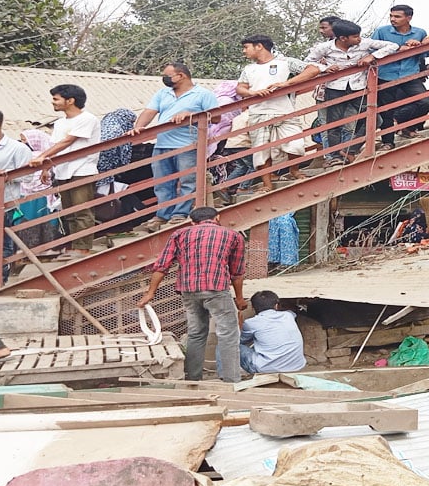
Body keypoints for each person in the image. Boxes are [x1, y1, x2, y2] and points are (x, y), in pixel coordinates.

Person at [137, 206, 246, 383]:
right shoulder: (233, 235)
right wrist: (239, 299)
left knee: (196, 334)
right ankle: (231, 380)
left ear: (192, 222)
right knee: (228, 334)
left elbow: (162, 266)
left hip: (188, 290)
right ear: (217, 217)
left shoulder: (179, 234)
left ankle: (193, 378)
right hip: (217, 289)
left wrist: (150, 293)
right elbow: (237, 272)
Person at [130, 63, 220, 233]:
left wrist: (191, 115)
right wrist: (138, 127)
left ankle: (180, 213)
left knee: (188, 181)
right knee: (162, 183)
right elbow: (150, 111)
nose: (164, 79)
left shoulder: (203, 94)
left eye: (168, 75)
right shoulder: (163, 93)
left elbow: (216, 117)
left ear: (181, 76)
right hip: (162, 144)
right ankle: (163, 215)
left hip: (187, 145)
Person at [305, 21, 399, 159]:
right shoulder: (324, 47)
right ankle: (335, 157)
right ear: (343, 38)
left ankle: (350, 148)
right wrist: (324, 68)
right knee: (334, 124)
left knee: (375, 119)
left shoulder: (364, 43)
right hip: (335, 87)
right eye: (355, 37)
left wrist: (372, 56)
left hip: (358, 86)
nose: (359, 39)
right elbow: (308, 61)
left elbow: (393, 46)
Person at [237, 35, 321, 188]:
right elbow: (240, 88)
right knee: (261, 151)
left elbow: (313, 69)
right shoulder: (249, 69)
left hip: (284, 111)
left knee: (296, 143)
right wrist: (252, 93)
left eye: (246, 47)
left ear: (259, 46)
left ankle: (294, 169)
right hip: (258, 112)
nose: (244, 51)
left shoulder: (285, 62)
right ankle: (267, 184)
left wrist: (287, 83)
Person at [29, 84, 100, 259]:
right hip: (62, 170)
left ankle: (83, 248)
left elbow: (67, 142)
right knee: (68, 211)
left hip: (82, 169)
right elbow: (56, 146)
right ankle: (73, 245)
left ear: (70, 101)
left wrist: (42, 157)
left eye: (56, 98)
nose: (53, 102)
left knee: (82, 211)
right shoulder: (60, 123)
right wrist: (47, 166)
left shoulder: (88, 118)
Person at [0, 107, 32, 276]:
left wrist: (0, 176)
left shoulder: (18, 149)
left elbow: (27, 177)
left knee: (1, 244)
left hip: (2, 205)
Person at [371, 5, 429, 145]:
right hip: (386, 75)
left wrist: (419, 46)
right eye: (391, 16)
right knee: (386, 111)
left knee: (425, 102)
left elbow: (426, 53)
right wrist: (397, 49)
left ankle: (407, 127)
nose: (393, 19)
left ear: (408, 18)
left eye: (397, 16)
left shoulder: (419, 32)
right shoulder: (382, 31)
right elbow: (371, 49)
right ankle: (388, 142)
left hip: (410, 74)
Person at [239, 290, 306, 376]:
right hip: (297, 367)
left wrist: (240, 325)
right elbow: (293, 312)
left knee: (226, 344)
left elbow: (240, 341)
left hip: (267, 369)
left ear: (252, 307)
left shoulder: (251, 323)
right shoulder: (288, 316)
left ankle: (225, 376)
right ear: (276, 306)